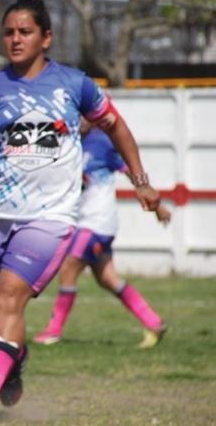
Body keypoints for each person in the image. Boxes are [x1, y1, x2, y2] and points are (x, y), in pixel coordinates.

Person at [0, 0, 161, 421]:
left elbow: (118, 128)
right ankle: (12, 361)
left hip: (49, 218)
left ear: (45, 37)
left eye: (25, 32)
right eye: (9, 32)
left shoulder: (73, 84)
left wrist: (141, 181)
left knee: (10, 298)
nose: (15, 39)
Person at [33, 122, 171, 349]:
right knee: (107, 279)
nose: (83, 119)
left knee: (68, 267)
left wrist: (156, 206)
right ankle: (154, 322)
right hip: (84, 222)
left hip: (96, 222)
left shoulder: (102, 143)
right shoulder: (65, 142)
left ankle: (53, 331)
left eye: (87, 114)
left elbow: (130, 172)